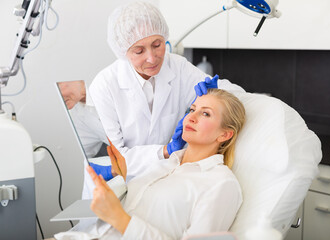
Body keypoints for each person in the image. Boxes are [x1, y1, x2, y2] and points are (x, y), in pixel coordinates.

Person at [54, 88, 246, 240]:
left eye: (206, 114)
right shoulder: (167, 165)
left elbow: (125, 221)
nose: (191, 117)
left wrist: (119, 219)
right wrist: (118, 181)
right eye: (192, 109)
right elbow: (139, 208)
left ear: (225, 134)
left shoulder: (221, 184)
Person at [88, 1, 245, 184]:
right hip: (125, 180)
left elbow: (235, 98)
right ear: (123, 51)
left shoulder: (177, 67)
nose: (152, 58)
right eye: (139, 51)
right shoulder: (105, 85)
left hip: (168, 175)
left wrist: (216, 88)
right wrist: (167, 150)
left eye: (157, 44)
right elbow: (119, 156)